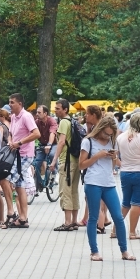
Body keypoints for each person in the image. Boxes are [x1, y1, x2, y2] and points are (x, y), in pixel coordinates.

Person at [81, 116, 135, 262]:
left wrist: (114, 157)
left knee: (118, 217)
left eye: (110, 134)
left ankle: (124, 250)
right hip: (93, 182)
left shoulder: (113, 141)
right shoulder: (88, 142)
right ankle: (94, 251)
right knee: (93, 217)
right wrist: (98, 155)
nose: (107, 136)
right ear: (100, 129)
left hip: (109, 183)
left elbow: (116, 163)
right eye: (105, 133)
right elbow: (81, 165)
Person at [116, 112, 140, 240]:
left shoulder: (121, 137)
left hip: (125, 172)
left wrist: (120, 164)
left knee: (125, 202)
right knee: (136, 203)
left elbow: (114, 155)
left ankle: (115, 230)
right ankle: (132, 232)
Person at [5, 93, 40, 228]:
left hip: (25, 154)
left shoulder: (26, 116)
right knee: (20, 185)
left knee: (8, 179)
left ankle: (12, 213)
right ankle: (23, 218)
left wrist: (19, 142)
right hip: (15, 154)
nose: (10, 105)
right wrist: (10, 141)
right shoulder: (13, 117)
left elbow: (36, 133)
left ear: (20, 103)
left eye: (12, 102)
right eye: (9, 102)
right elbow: (11, 133)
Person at [50, 99, 80, 231]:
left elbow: (61, 142)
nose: (55, 110)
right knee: (73, 191)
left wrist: (54, 159)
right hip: (76, 160)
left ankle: (67, 222)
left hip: (66, 161)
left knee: (65, 191)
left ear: (65, 109)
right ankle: (74, 221)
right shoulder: (73, 121)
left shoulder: (63, 122)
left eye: (58, 108)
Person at [34, 105, 58, 191]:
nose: (37, 114)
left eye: (39, 112)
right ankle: (38, 184)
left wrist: (49, 144)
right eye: (37, 112)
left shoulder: (51, 121)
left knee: (52, 155)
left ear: (45, 113)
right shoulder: (37, 122)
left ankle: (55, 172)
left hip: (53, 144)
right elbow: (32, 132)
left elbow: (52, 133)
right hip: (42, 144)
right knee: (36, 163)